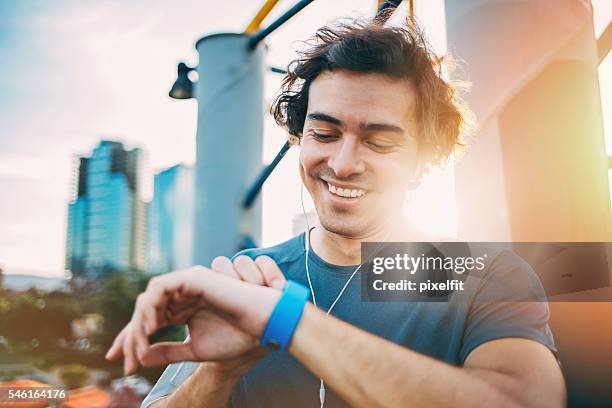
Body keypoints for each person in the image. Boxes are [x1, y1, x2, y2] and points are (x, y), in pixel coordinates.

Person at [106, 18, 566, 408]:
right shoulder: (248, 281)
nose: (343, 163)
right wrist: (220, 370)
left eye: (380, 141)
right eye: (324, 134)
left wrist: (286, 321)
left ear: (426, 157)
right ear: (297, 138)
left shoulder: (484, 276)